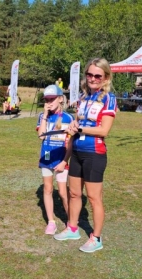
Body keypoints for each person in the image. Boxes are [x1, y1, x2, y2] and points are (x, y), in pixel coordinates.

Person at [53, 58, 117, 253]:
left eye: (97, 75)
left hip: (95, 154)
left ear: (105, 77)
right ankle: (72, 228)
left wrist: (81, 127)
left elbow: (104, 130)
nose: (93, 78)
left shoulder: (109, 98)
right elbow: (79, 124)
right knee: (74, 193)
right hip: (78, 152)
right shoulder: (83, 98)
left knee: (93, 197)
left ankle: (96, 238)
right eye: (89, 74)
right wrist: (73, 126)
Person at [36, 84, 74, 235]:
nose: (49, 102)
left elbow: (71, 143)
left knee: (63, 193)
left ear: (60, 99)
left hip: (61, 158)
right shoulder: (42, 116)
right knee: (48, 189)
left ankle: (71, 221)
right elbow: (41, 135)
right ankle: (51, 222)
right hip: (46, 157)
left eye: (52, 99)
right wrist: (45, 115)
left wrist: (64, 161)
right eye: (47, 100)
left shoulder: (68, 117)